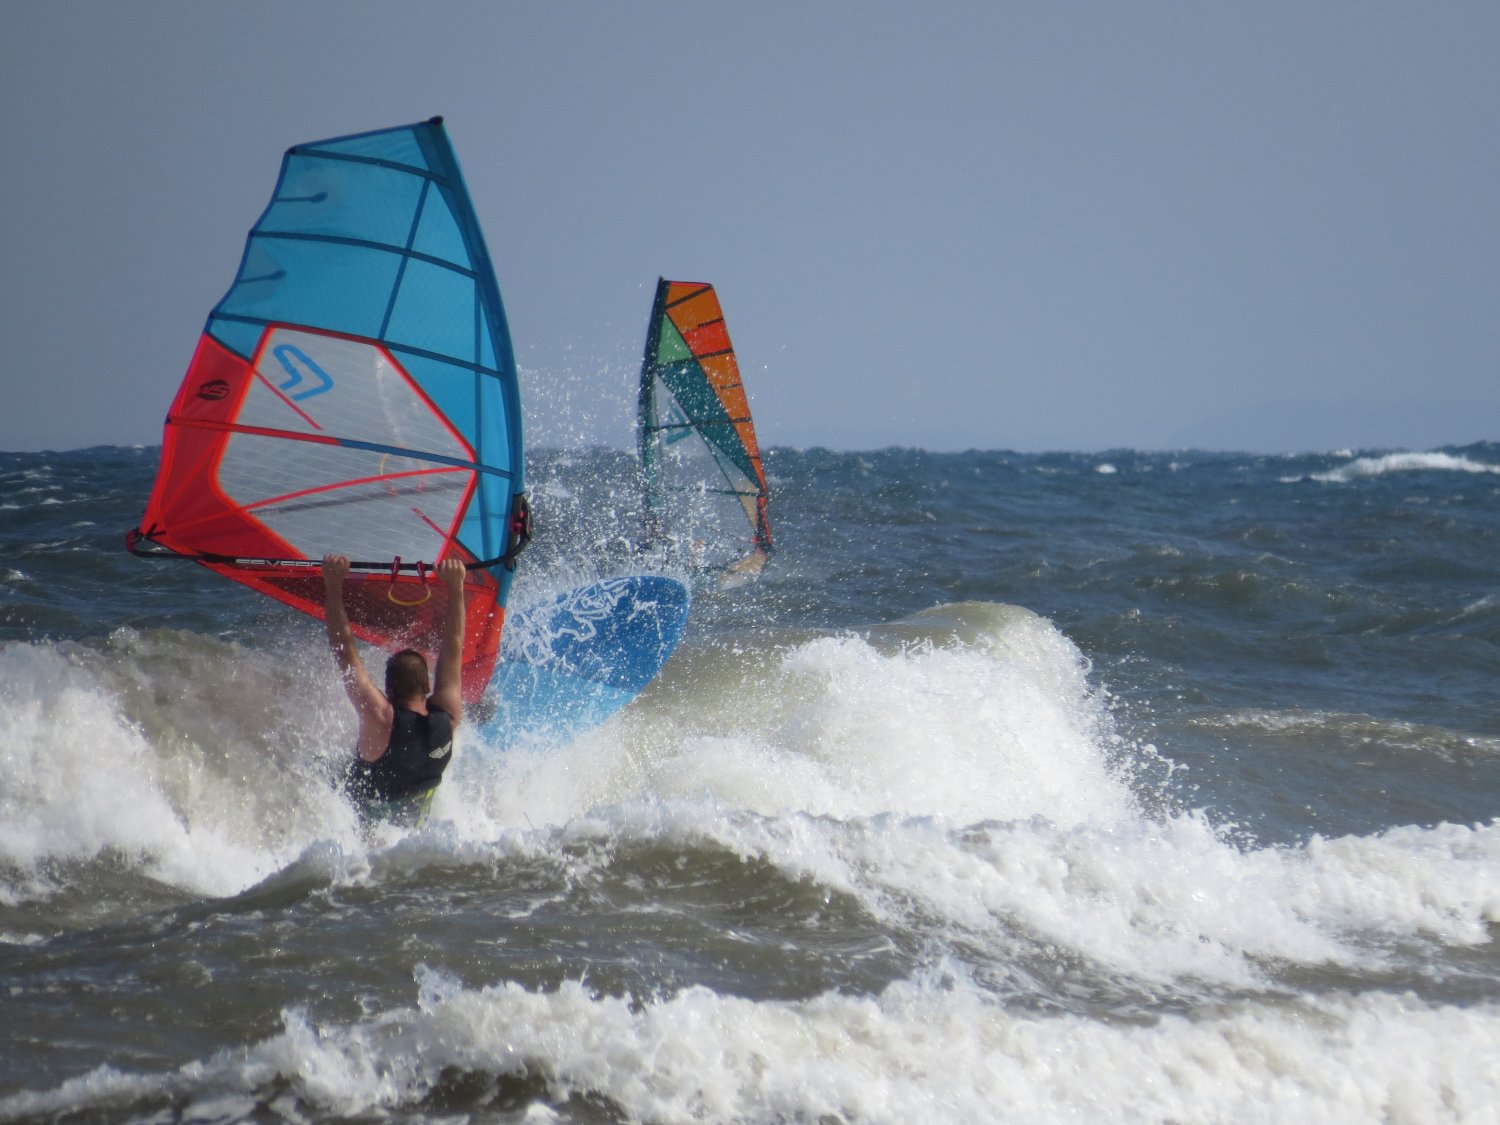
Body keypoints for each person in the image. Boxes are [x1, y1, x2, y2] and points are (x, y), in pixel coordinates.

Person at [322, 553, 466, 825]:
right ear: (427, 686)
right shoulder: (448, 718)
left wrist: (332, 585)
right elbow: (454, 646)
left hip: (360, 826)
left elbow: (345, 652)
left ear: (387, 690)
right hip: (413, 827)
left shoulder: (382, 719)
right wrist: (456, 585)